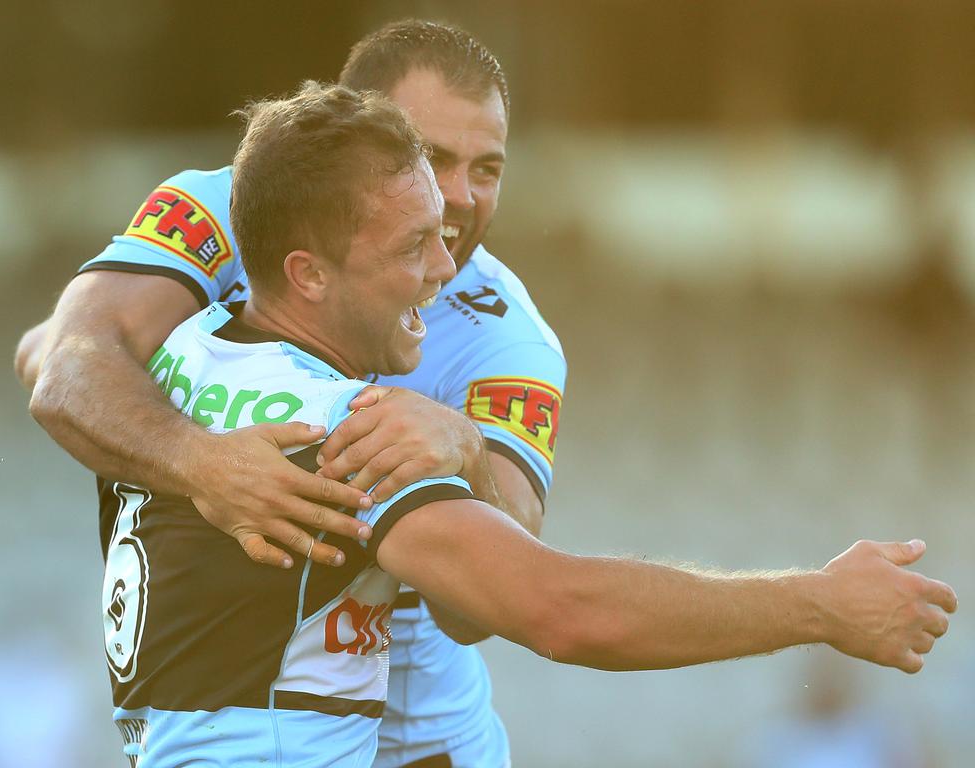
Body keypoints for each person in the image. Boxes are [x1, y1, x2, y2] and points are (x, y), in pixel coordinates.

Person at [105, 82, 955, 768]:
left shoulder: (176, 354)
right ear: (308, 274)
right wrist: (821, 604)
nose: (445, 270)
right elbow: (560, 612)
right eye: (411, 249)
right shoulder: (337, 428)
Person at [17, 20, 563, 767]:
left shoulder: (508, 334)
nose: (460, 196)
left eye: (489, 168)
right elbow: (60, 365)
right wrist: (202, 463)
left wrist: (465, 448)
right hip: (249, 716)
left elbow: (506, 588)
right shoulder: (226, 206)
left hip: (418, 744)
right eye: (433, 157)